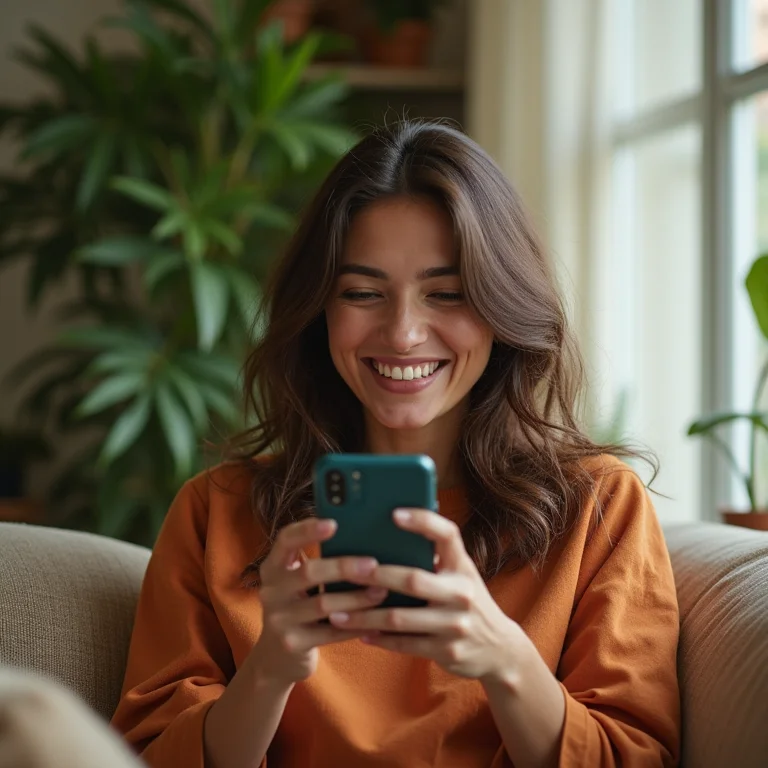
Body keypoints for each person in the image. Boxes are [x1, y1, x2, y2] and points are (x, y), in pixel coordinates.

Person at [110, 121, 681, 768]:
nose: (404, 333)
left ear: (501, 306)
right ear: (318, 308)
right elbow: (147, 756)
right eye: (362, 293)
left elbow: (633, 757)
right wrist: (269, 670)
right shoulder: (217, 512)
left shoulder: (598, 508)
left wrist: (505, 657)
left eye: (447, 293)